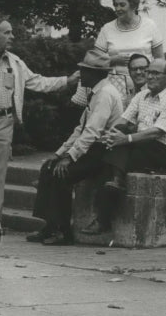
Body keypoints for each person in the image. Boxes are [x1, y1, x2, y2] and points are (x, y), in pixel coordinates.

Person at [0, 19, 78, 236]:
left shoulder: (15, 62)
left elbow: (38, 82)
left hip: (4, 123)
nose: (12, 36)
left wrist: (67, 81)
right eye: (7, 33)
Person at [26, 49, 125, 245]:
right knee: (49, 167)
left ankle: (64, 232)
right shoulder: (95, 92)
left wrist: (69, 158)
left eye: (85, 71)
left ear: (97, 74)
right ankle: (50, 226)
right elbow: (80, 128)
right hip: (92, 148)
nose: (81, 75)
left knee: (62, 174)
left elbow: (92, 132)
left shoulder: (105, 94)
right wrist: (59, 154)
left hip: (104, 151)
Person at [87, 59, 166, 233]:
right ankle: (114, 181)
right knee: (111, 141)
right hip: (139, 144)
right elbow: (123, 119)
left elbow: (157, 132)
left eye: (156, 73)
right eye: (149, 72)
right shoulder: (141, 96)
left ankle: (104, 215)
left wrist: (126, 139)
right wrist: (111, 135)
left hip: (160, 149)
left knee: (115, 150)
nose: (150, 77)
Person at [93, 0, 164, 98]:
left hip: (146, 86)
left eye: (122, 4)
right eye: (115, 5)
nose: (117, 8)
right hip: (115, 88)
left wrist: (160, 87)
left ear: (133, 5)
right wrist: (113, 60)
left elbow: (160, 60)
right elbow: (94, 61)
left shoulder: (150, 26)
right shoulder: (107, 29)